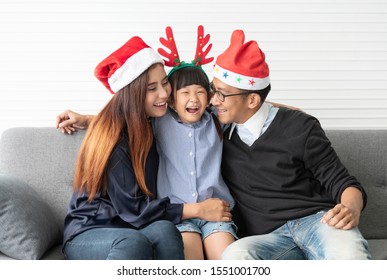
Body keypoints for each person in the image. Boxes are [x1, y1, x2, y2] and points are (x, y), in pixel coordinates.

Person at [62, 35, 232, 260]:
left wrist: (86, 118)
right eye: (152, 88)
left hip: (132, 226)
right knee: (133, 243)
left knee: (165, 230)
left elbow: (120, 118)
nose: (164, 93)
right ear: (132, 93)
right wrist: (199, 209)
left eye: (164, 83)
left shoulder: (149, 122)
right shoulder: (115, 142)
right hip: (93, 229)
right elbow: (134, 209)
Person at [210, 29, 371, 260]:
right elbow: (182, 98)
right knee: (235, 256)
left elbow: (343, 181)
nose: (214, 100)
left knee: (350, 256)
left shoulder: (301, 127)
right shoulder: (215, 129)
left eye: (222, 95)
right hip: (269, 238)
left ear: (253, 100)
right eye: (213, 90)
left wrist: (351, 208)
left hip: (318, 223)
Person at [152, 26, 236, 260]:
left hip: (217, 212)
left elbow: (248, 109)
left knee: (228, 261)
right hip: (179, 215)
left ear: (209, 96)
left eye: (200, 92)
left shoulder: (217, 121)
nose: (193, 99)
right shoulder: (160, 123)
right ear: (170, 101)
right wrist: (85, 119)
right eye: (185, 93)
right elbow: (122, 119)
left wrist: (283, 111)